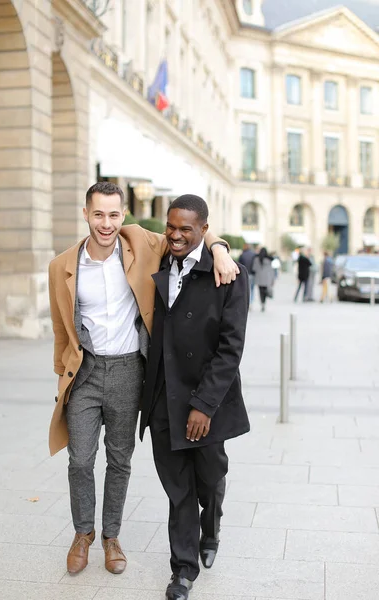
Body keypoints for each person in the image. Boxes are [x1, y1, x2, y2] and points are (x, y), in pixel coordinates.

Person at [48, 182, 239, 576]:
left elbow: (191, 230)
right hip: (84, 373)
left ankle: (111, 537)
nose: (106, 223)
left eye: (114, 215)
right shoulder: (62, 265)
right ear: (86, 214)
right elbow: (60, 328)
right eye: (98, 214)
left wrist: (221, 249)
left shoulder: (140, 243)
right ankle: (83, 533)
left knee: (120, 461)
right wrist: (61, 376)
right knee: (80, 459)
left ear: (124, 216)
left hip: (129, 371)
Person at [139, 194, 250, 600]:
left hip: (208, 401)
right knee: (178, 490)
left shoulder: (230, 274)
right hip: (162, 399)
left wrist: (204, 405)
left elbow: (230, 347)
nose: (176, 235)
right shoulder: (157, 256)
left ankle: (212, 522)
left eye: (187, 228)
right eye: (171, 226)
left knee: (210, 477)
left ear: (205, 228)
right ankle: (182, 571)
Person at [252, 247, 274, 312]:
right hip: (267, 278)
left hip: (259, 278)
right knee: (265, 291)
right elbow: (271, 270)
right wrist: (272, 279)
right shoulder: (269, 260)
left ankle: (262, 303)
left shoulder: (256, 259)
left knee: (260, 292)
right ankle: (264, 303)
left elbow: (254, 269)